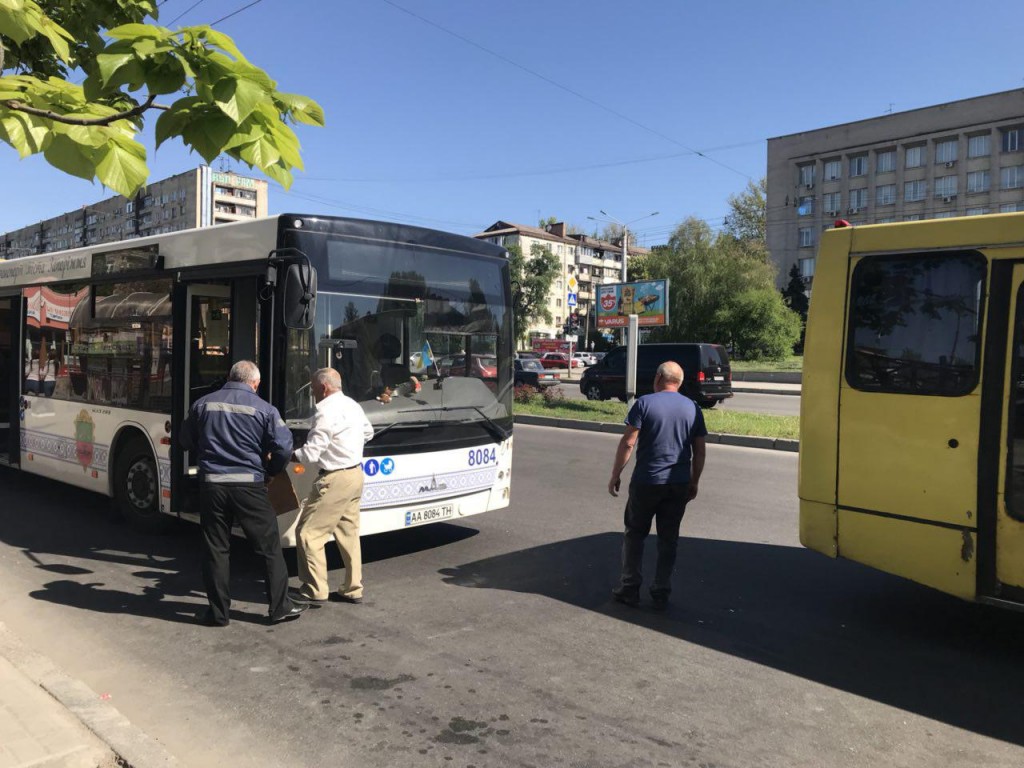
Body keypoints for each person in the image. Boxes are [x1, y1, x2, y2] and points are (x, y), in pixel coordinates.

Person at [179, 360, 307, 627]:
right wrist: (271, 469)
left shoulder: (203, 404)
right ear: (255, 383)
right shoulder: (265, 409)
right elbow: (283, 447)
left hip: (212, 485)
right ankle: (280, 607)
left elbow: (185, 440)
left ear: (230, 377)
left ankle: (218, 613)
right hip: (250, 486)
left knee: (216, 548)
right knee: (269, 547)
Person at [607, 361, 707, 610]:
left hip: (647, 482)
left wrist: (616, 474)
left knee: (635, 534)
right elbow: (700, 450)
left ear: (658, 378)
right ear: (680, 382)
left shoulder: (644, 403)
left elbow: (628, 443)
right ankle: (661, 590)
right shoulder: (693, 407)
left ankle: (629, 588)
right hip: (678, 483)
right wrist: (694, 481)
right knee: (668, 539)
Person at [289, 367, 374, 606]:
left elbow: (312, 453)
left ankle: (314, 590)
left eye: (314, 388)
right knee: (348, 533)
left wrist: (290, 455)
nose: (313, 393)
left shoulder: (324, 412)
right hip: (355, 475)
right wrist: (348, 445)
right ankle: (352, 588)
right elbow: (368, 432)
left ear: (323, 388)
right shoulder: (352, 405)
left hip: (334, 478)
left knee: (308, 534)